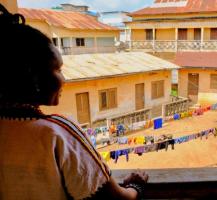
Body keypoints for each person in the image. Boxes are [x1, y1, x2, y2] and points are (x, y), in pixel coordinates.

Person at [0, 4, 148, 200]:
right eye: (58, 70)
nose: (65, 80)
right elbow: (116, 199)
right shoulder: (57, 132)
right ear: (33, 75)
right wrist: (135, 186)